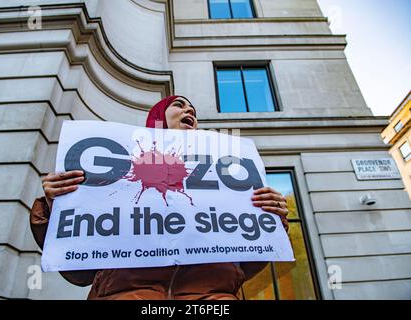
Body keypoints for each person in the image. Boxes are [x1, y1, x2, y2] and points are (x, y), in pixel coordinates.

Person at [30, 95, 289, 300]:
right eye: (180, 105)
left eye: (194, 112)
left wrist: (271, 218)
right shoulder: (117, 170)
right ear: (158, 118)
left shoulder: (226, 173)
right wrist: (57, 204)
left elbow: (247, 266)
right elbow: (78, 272)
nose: (190, 112)